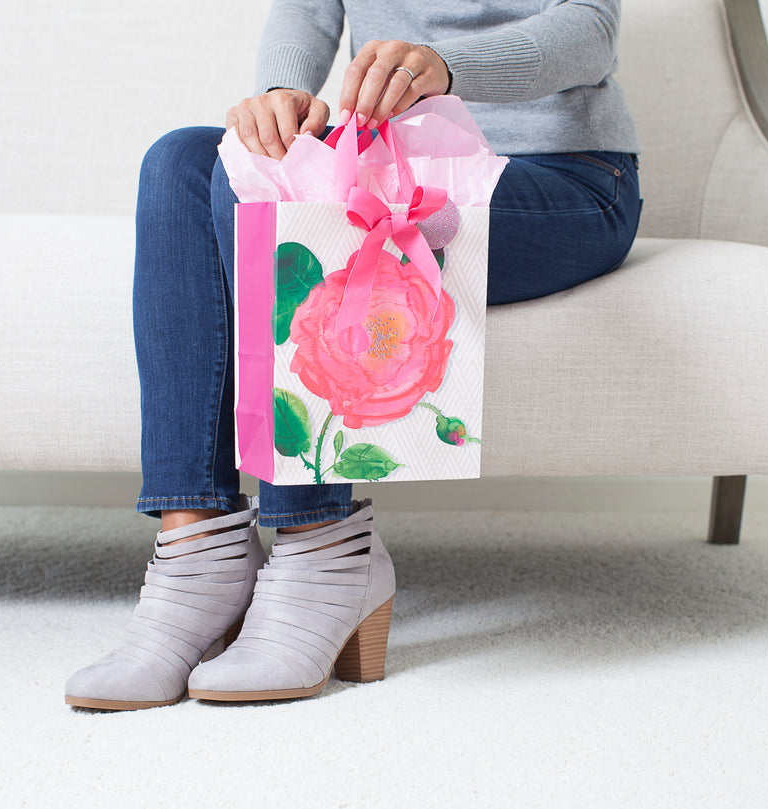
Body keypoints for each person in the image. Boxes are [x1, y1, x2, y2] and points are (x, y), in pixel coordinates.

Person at [65, 0, 641, 711]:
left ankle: (322, 550)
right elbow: (306, 11)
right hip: (387, 157)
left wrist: (449, 69)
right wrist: (281, 97)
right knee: (182, 161)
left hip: (557, 177)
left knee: (290, 196)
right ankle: (198, 557)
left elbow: (591, 29)